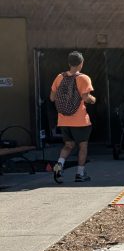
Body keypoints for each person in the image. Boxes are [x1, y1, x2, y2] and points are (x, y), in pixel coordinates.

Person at [50, 51, 96, 184]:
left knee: (68, 145)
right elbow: (86, 98)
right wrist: (93, 99)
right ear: (81, 63)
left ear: (69, 63)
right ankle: (80, 174)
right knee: (83, 146)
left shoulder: (59, 77)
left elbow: (52, 97)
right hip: (80, 121)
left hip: (63, 120)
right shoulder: (83, 78)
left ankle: (59, 164)